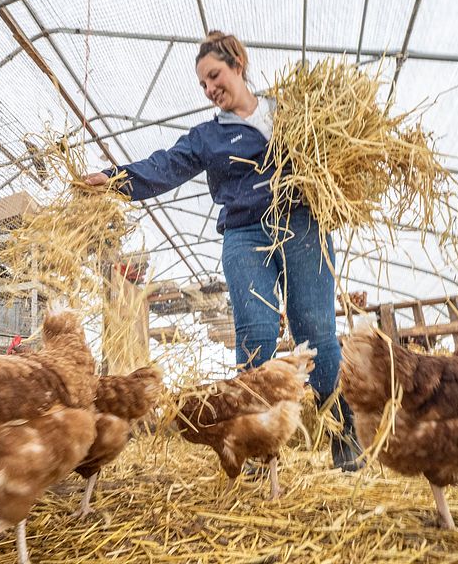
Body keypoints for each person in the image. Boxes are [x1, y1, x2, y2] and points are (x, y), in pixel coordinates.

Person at [83, 31, 362, 471]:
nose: (211, 89)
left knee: (317, 330)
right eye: (203, 85)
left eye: (214, 76)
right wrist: (117, 180)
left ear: (237, 63)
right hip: (245, 233)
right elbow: (166, 165)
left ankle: (344, 435)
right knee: (256, 332)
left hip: (303, 222)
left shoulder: (291, 109)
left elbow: (339, 144)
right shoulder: (207, 137)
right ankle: (252, 446)